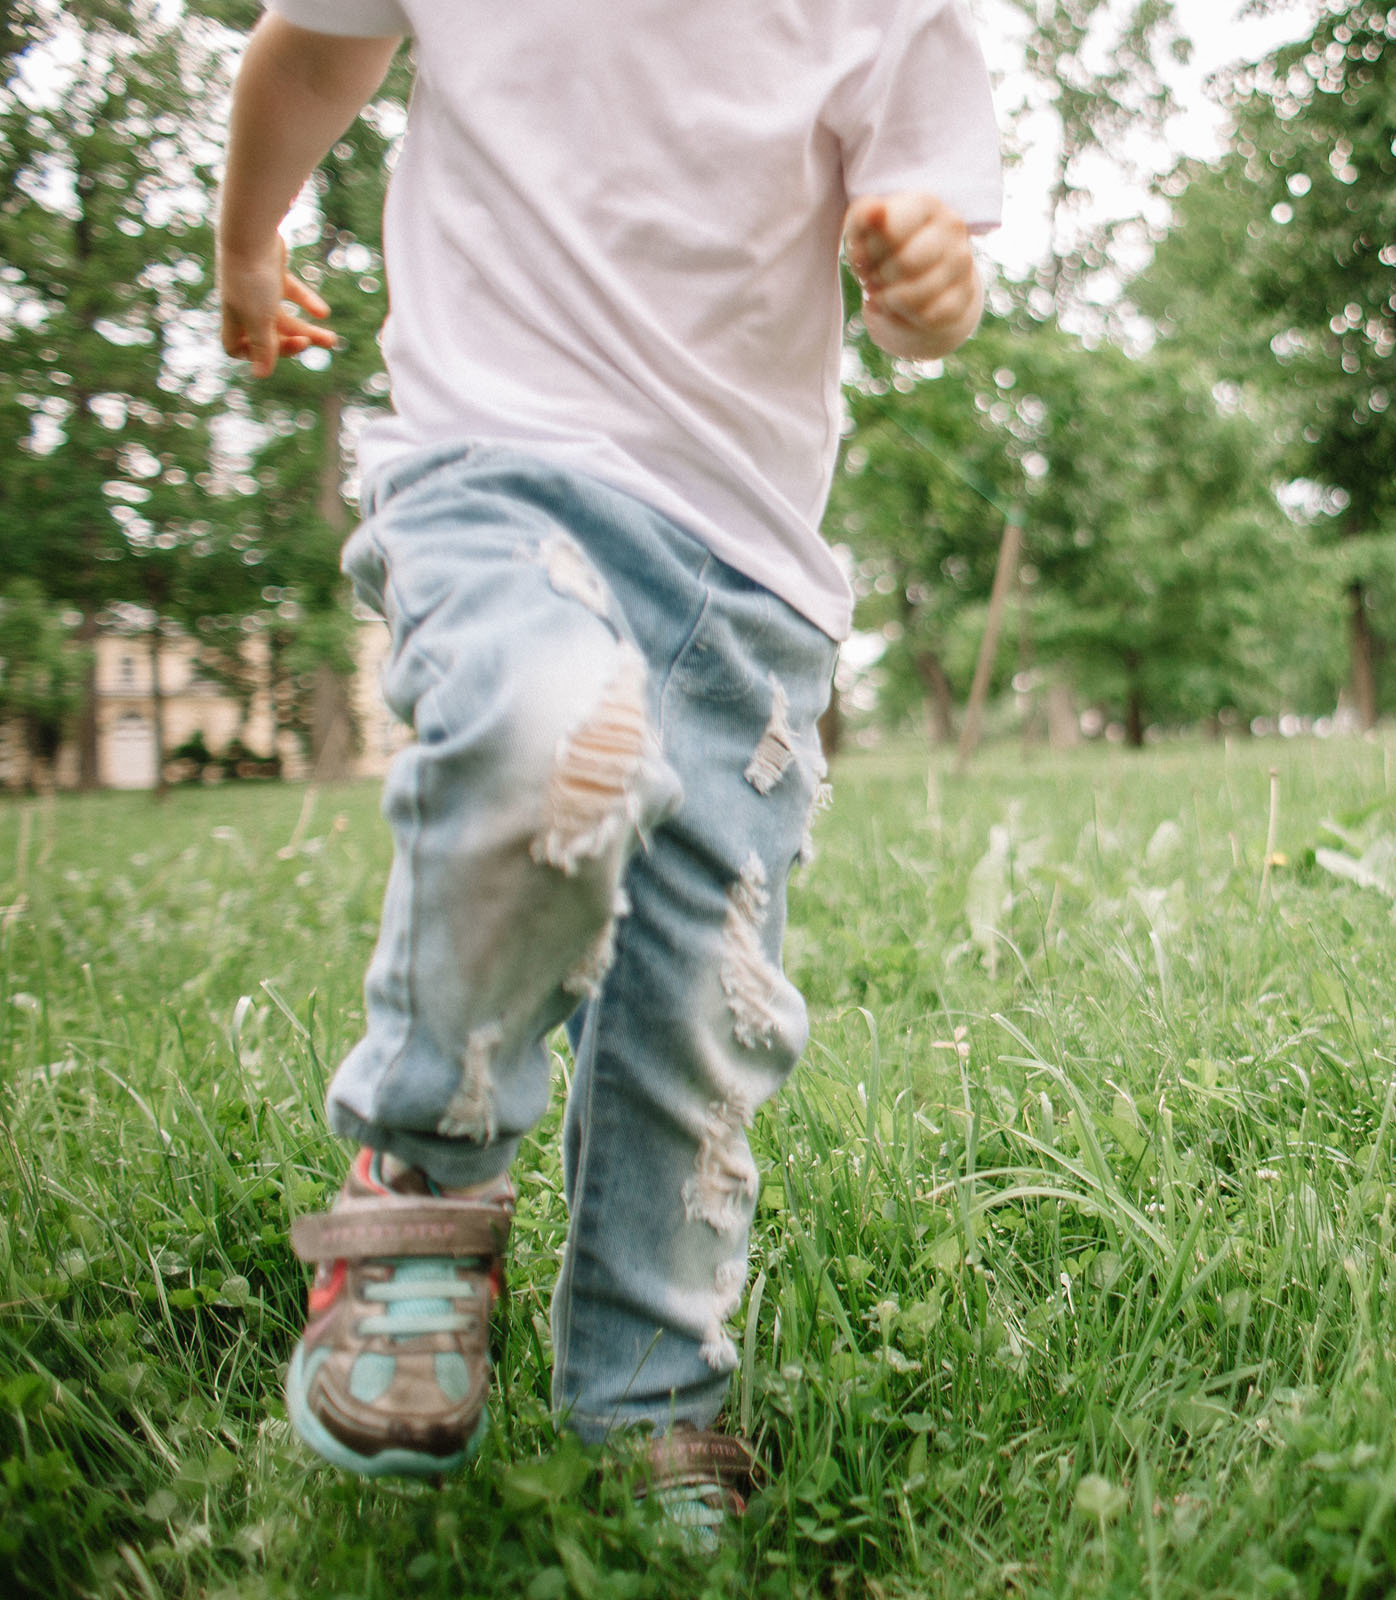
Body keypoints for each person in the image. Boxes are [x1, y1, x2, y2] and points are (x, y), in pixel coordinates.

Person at [213, 0, 1002, 1518]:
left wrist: (927, 274)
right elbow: (311, 47)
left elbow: (933, 291)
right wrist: (251, 243)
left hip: (749, 568)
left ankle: (649, 1398)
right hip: (498, 470)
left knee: (698, 1007)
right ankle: (424, 1191)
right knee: (549, 744)